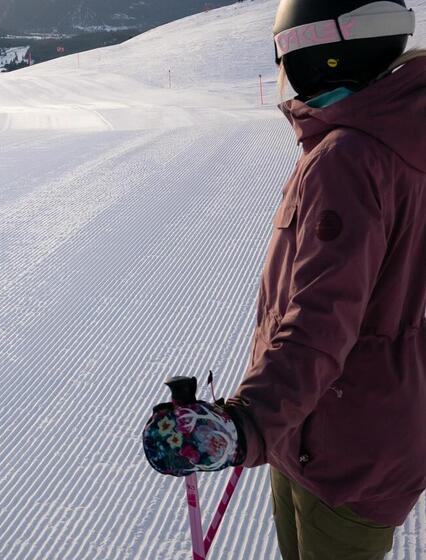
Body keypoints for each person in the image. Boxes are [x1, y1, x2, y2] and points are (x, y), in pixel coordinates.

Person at [143, 1, 426, 558]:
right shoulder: (405, 131)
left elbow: (323, 317)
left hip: (336, 440)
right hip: (363, 424)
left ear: (324, 54)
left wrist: (246, 422)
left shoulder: (349, 156)